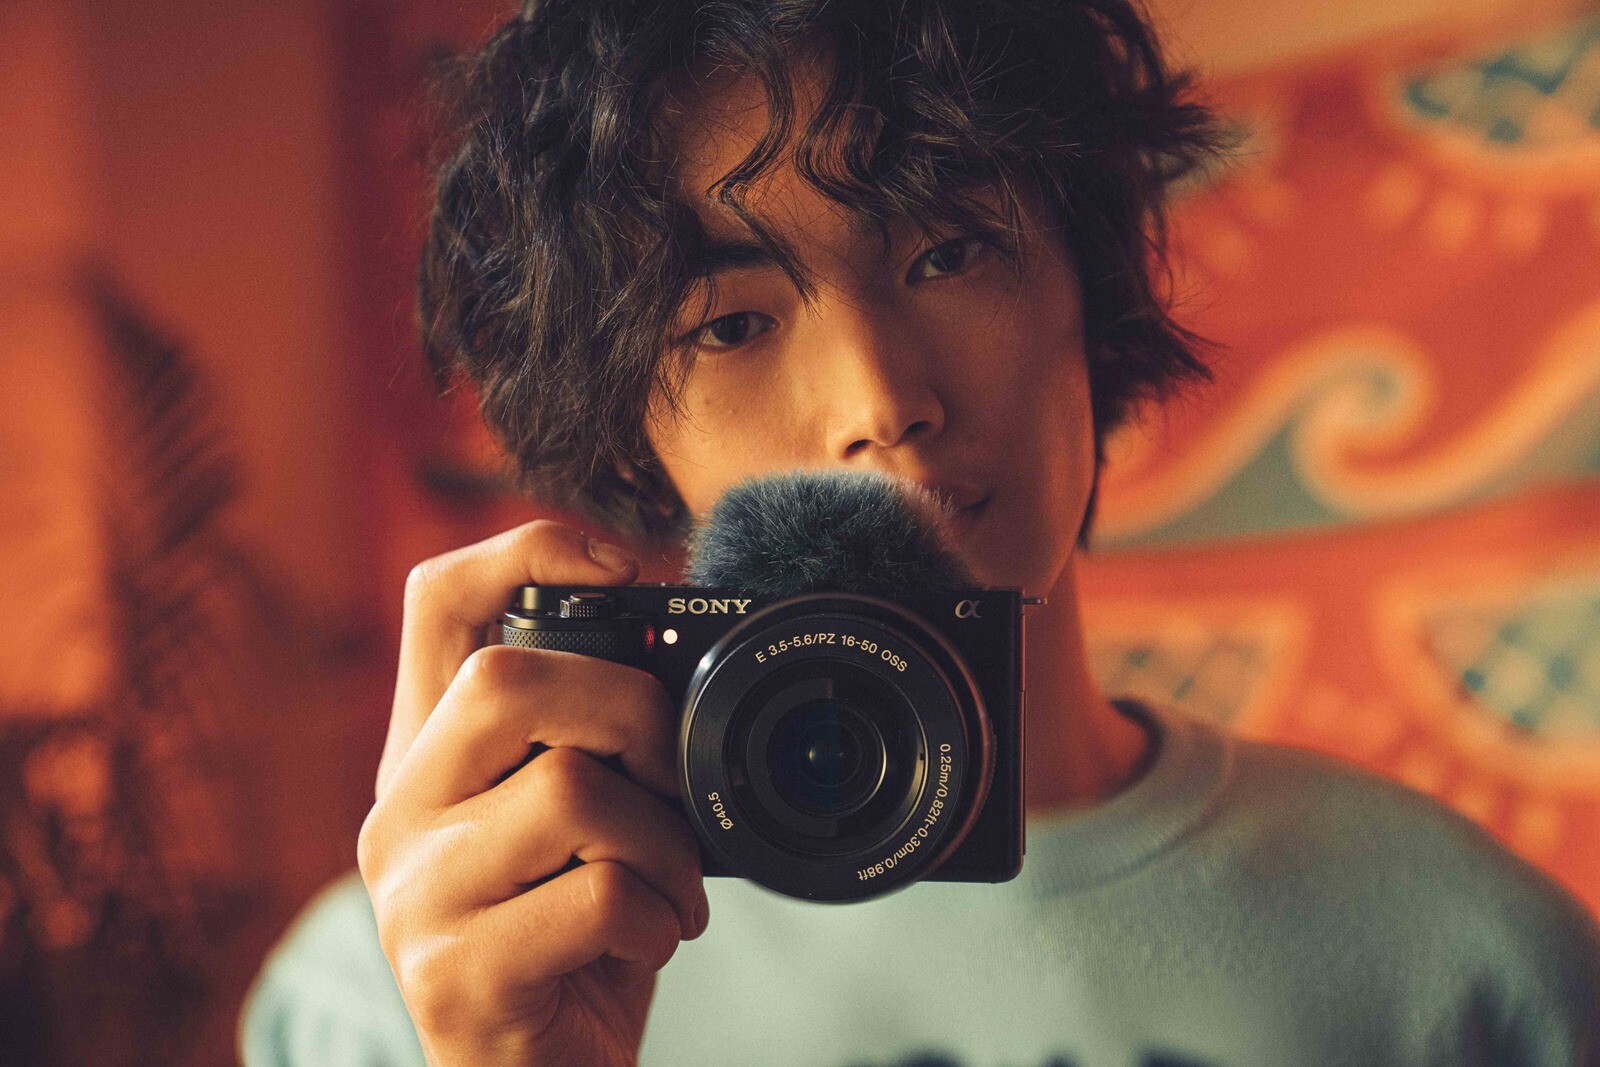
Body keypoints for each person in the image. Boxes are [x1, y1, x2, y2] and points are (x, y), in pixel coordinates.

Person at [239, 0, 1600, 1064]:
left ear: (1090, 285)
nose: (881, 402)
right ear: (629, 433)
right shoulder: (403, 984)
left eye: (949, 254)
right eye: (731, 324)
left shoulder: (1457, 955)